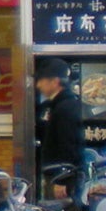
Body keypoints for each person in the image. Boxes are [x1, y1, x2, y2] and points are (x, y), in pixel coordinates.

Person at [34, 57, 84, 197]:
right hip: (56, 174)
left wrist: (62, 179)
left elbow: (67, 145)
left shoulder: (66, 108)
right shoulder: (53, 106)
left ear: (55, 82)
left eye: (41, 81)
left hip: (62, 177)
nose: (38, 85)